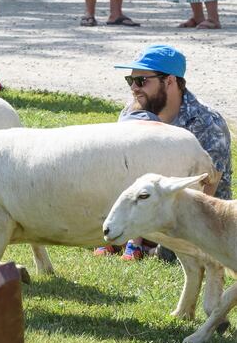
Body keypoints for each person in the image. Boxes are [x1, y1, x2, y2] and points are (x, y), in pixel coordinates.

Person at [99, 44, 231, 261]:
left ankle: (145, 245)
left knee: (172, 254)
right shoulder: (134, 110)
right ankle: (131, 240)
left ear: (169, 81)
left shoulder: (207, 123)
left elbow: (208, 187)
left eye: (141, 81)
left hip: (195, 218)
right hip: (150, 210)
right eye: (130, 80)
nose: (134, 88)